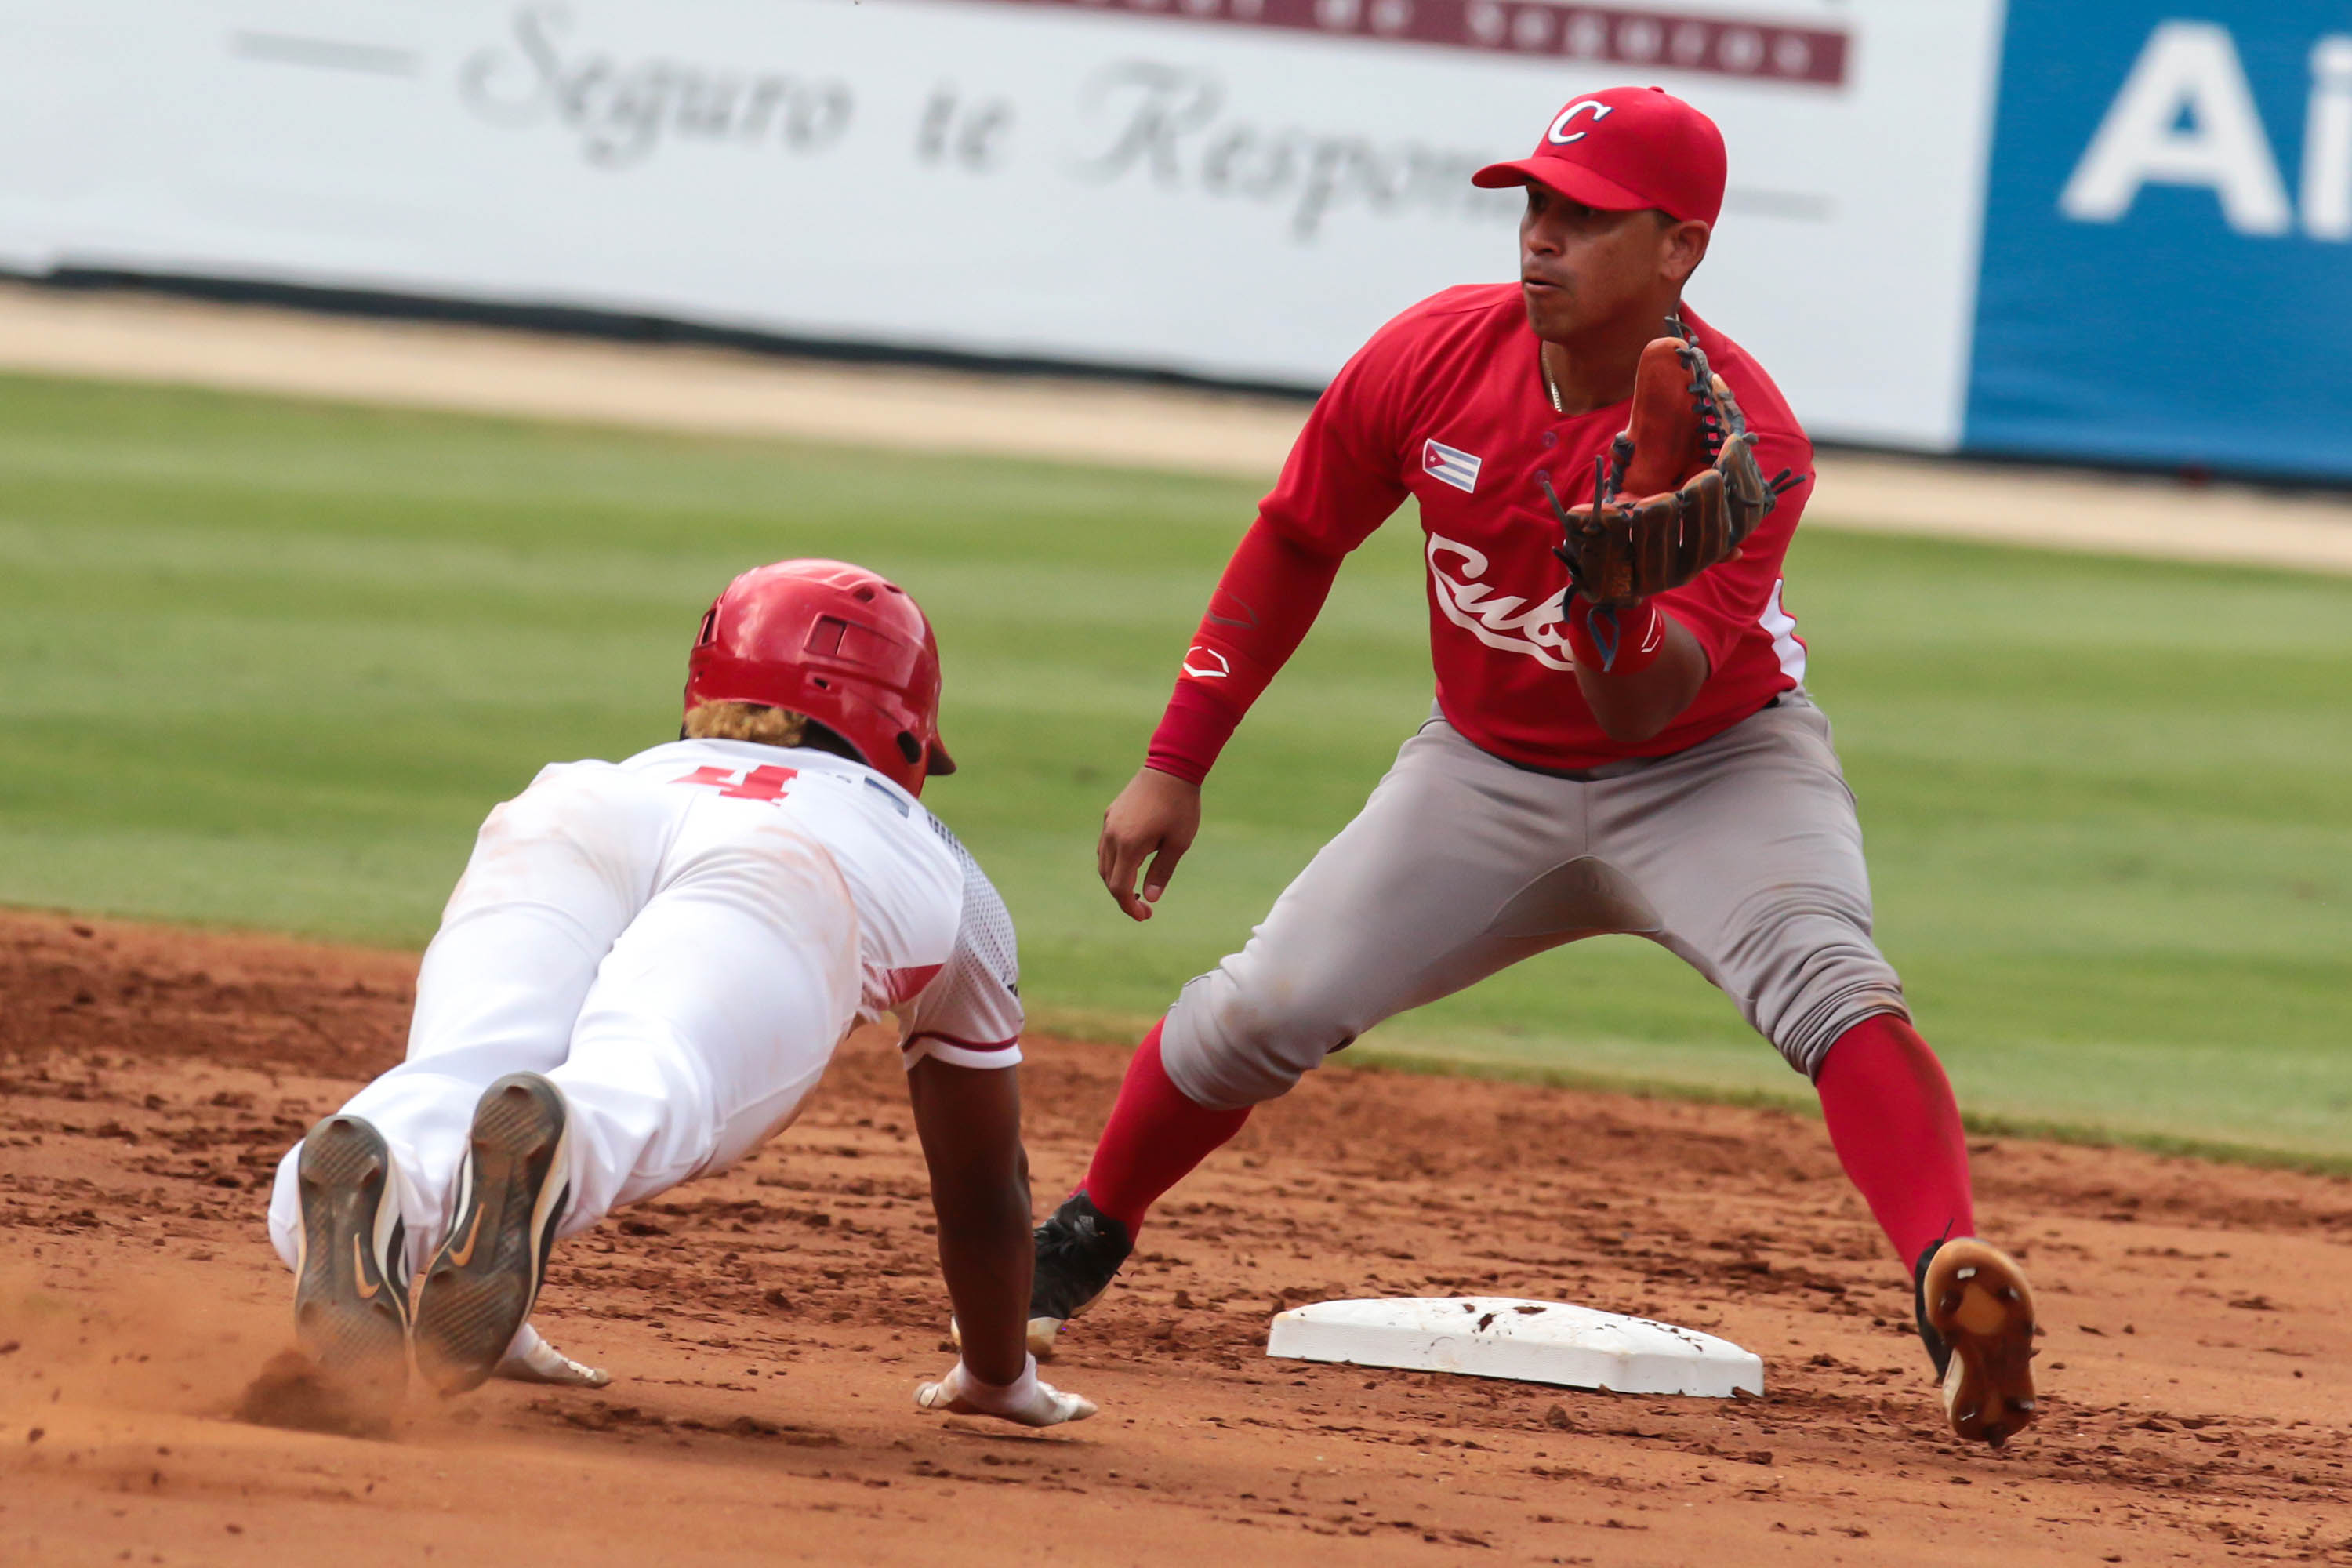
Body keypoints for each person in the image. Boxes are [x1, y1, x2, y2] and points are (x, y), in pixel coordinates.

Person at [1030, 87, 2038, 1447]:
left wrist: (1615, 606)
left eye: (1588, 216)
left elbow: (1644, 707)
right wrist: (1175, 760)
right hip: (1482, 769)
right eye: (1536, 204)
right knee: (1258, 1008)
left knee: (1831, 983)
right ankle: (1086, 1231)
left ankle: (1947, 1281)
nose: (1542, 236)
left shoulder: (1755, 443)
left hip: (1714, 770)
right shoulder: (1434, 356)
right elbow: (1297, 536)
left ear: (1680, 248)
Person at [266, 558, 1094, 1431]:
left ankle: (381, 1166)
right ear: (903, 725)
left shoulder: (642, 767)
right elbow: (982, 1178)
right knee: (652, 1074)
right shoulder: (934, 859)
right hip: (788, 869)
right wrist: (998, 1375)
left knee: (456, 1072)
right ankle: (575, 1134)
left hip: (568, 815)